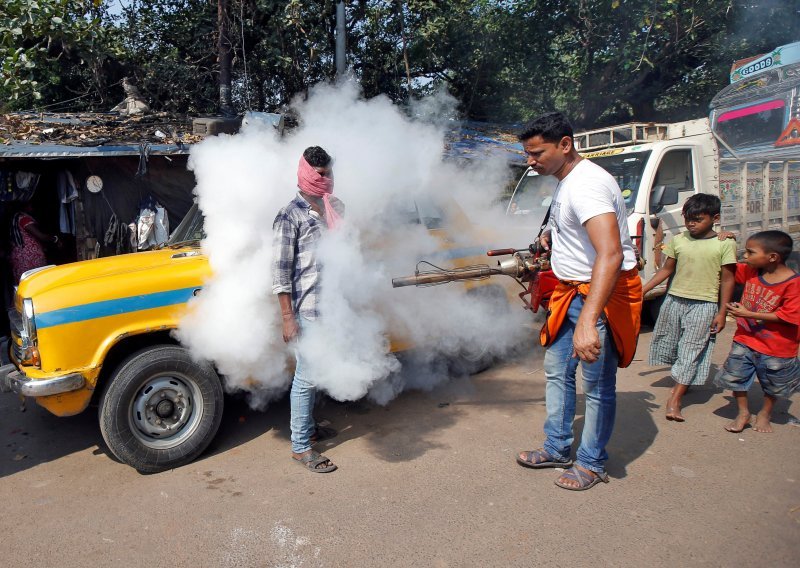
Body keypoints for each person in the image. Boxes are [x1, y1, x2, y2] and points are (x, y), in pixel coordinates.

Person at [515, 112, 643, 491]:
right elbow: (577, 236)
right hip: (569, 293)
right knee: (557, 373)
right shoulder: (567, 181)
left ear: (565, 145)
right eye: (527, 153)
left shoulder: (587, 185)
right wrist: (549, 241)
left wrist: (588, 321)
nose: (530, 161)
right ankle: (557, 448)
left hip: (595, 299)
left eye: (537, 153)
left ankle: (591, 462)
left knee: (598, 386)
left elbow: (610, 255)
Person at [272, 146, 343, 473]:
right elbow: (281, 271)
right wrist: (288, 318)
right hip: (307, 309)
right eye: (321, 174)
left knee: (316, 372)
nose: (327, 179)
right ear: (306, 174)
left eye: (329, 173)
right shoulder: (290, 215)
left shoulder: (335, 208)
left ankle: (310, 430)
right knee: (307, 375)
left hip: (332, 307)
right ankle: (301, 446)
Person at [643, 194, 736, 421]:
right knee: (672, 344)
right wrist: (642, 291)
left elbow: (727, 280)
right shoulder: (679, 240)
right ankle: (685, 380)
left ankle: (675, 399)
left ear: (714, 218)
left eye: (698, 219)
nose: (691, 224)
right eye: (688, 219)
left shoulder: (725, 243)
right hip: (674, 300)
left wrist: (722, 313)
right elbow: (666, 270)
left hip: (704, 305)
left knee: (692, 349)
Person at [714, 230, 799, 433]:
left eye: (751, 252)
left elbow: (789, 316)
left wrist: (749, 314)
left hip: (777, 346)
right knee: (736, 377)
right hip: (745, 339)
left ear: (772, 257)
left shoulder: (793, 283)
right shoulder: (753, 271)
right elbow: (728, 266)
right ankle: (743, 412)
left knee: (773, 384)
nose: (746, 257)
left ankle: (765, 413)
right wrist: (728, 242)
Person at [9, 201, 61, 284]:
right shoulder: (23, 219)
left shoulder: (14, 219)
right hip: (29, 256)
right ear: (25, 206)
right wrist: (55, 239)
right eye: (30, 205)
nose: (32, 208)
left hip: (18, 255)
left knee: (25, 282)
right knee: (36, 280)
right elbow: (41, 236)